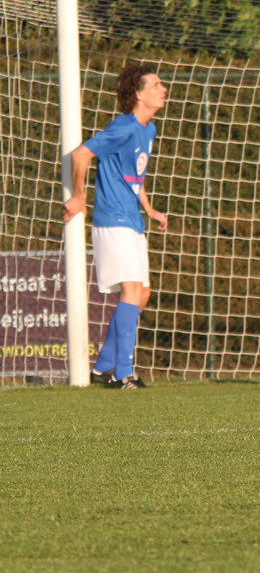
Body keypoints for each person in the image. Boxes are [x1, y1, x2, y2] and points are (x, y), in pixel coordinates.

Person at [61, 63, 168, 389]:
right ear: (138, 94)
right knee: (132, 291)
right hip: (112, 220)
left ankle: (103, 366)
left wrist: (148, 208)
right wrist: (79, 196)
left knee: (143, 294)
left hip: (133, 220)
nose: (163, 89)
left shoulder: (148, 129)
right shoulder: (123, 126)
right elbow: (80, 155)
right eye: (156, 85)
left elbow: (134, 173)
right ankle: (124, 374)